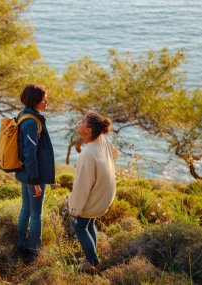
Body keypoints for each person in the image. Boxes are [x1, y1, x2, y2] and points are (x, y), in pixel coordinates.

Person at [68, 111, 118, 273]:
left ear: (89, 130)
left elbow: (82, 187)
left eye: (82, 121)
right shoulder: (102, 140)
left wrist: (74, 209)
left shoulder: (87, 154)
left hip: (94, 198)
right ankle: (90, 257)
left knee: (80, 227)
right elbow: (114, 154)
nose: (79, 122)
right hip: (105, 195)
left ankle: (92, 263)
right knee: (89, 224)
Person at [14, 84, 55, 262]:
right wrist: (36, 181)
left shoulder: (24, 114)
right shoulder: (31, 123)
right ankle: (33, 250)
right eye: (43, 99)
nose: (46, 101)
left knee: (25, 208)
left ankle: (22, 244)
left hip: (25, 172)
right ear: (35, 101)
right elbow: (30, 154)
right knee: (36, 214)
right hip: (32, 174)